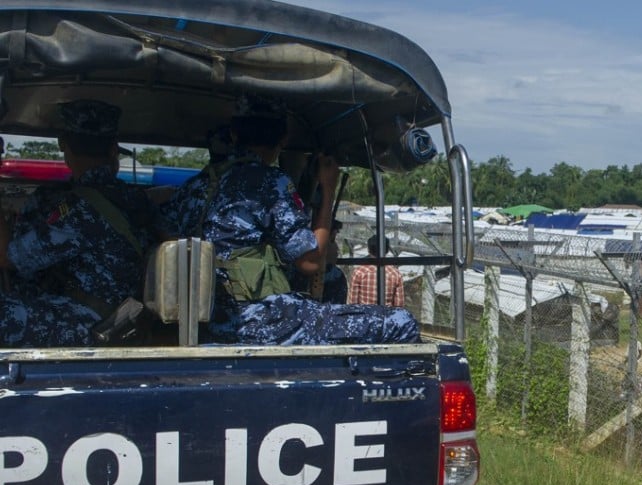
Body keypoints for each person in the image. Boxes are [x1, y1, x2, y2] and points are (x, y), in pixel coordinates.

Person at [159, 92, 417, 345]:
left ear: (235, 135)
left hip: (203, 322)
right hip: (257, 322)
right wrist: (328, 190)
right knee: (400, 321)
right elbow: (311, 262)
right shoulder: (271, 182)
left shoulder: (195, 187)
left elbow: (163, 232)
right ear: (283, 138)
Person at [0, 99, 157, 346]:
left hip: (96, 322)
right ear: (113, 149)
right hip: (127, 317)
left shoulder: (80, 208)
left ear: (65, 146)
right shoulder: (134, 198)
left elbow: (9, 258)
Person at [348, 236, 405, 306]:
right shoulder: (396, 274)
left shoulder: (358, 272)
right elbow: (399, 306)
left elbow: (352, 303)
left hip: (364, 316)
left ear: (368, 250)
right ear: (387, 251)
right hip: (386, 316)